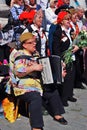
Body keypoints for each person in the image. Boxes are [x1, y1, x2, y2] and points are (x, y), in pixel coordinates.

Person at [51, 10, 79, 106]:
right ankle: (63, 98)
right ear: (61, 21)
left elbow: (74, 42)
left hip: (72, 58)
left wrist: (77, 47)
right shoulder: (58, 32)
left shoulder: (71, 31)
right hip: (64, 58)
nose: (68, 20)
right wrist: (60, 60)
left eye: (69, 19)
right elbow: (56, 48)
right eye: (66, 19)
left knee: (72, 77)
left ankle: (69, 95)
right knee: (66, 79)